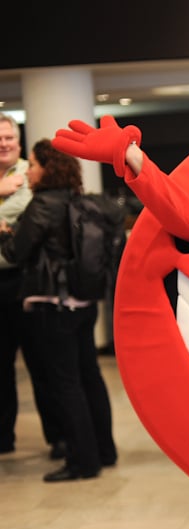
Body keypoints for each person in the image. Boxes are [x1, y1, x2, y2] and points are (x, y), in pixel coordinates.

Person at [0, 139, 117, 480]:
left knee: (65, 384)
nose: (29, 170)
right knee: (90, 377)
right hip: (83, 304)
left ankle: (83, 461)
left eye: (33, 164)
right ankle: (104, 450)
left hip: (53, 305)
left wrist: (5, 232)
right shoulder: (78, 200)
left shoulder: (42, 206)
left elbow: (16, 254)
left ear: (47, 169)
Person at [0, 113, 64, 457]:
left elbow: (20, 216)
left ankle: (57, 437)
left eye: (8, 138)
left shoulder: (32, 173)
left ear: (19, 142)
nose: (4, 144)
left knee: (41, 364)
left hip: (25, 279)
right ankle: (2, 437)